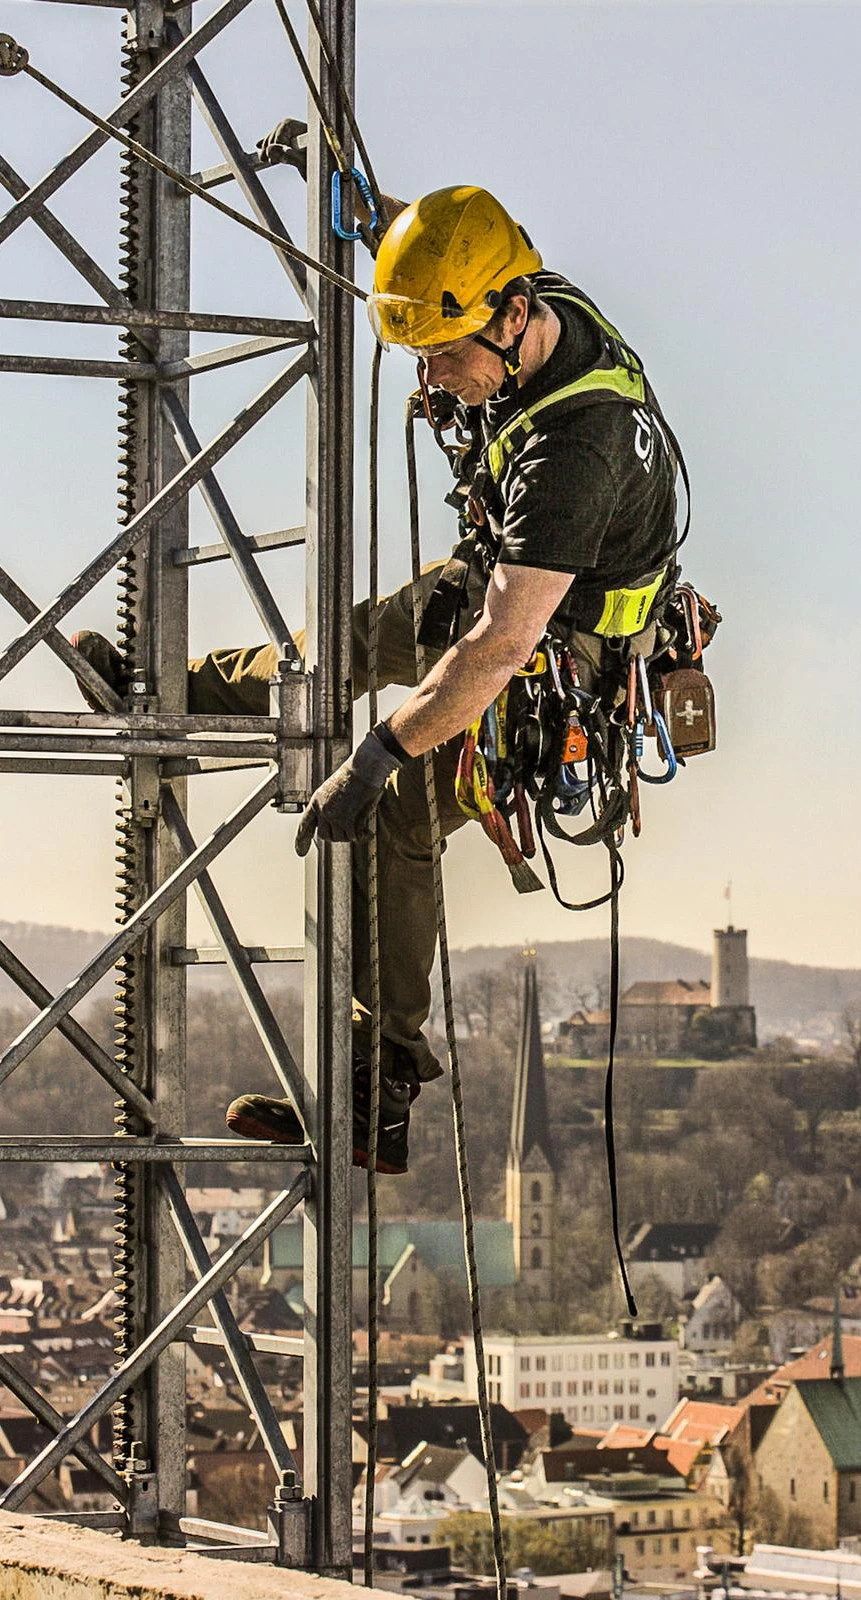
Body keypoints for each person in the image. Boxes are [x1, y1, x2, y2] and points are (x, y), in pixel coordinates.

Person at [74, 186, 683, 1175]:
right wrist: (384, 224)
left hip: (549, 656)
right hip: (509, 587)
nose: (434, 376)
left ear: (511, 318)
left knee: (399, 812)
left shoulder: (575, 450)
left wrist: (382, 749)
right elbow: (450, 261)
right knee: (342, 648)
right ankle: (168, 691)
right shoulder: (530, 298)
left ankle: (379, 1090)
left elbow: (497, 646)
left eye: (446, 355)